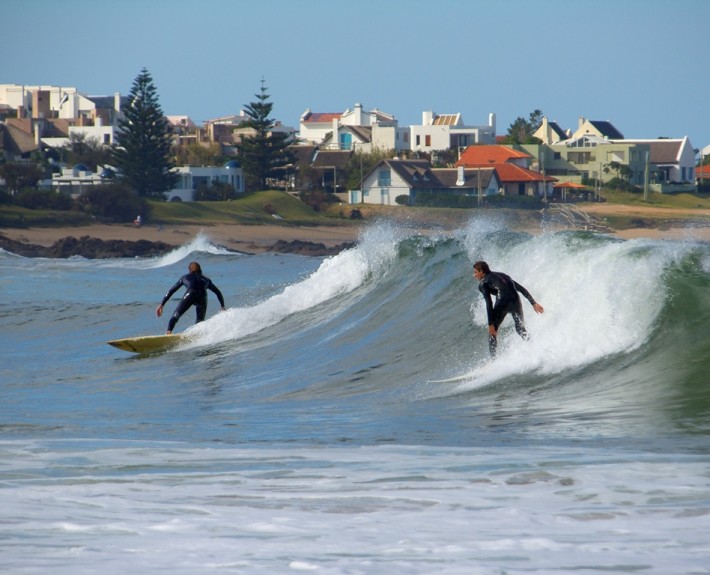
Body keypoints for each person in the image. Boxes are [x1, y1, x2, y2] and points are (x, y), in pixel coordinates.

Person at [472, 260, 544, 358]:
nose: (474, 275)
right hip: (515, 300)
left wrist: (490, 324)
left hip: (503, 301)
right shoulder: (503, 275)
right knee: (520, 328)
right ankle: (534, 347)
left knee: (492, 333)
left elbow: (489, 303)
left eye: (475, 272)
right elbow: (520, 288)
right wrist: (533, 303)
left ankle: (493, 360)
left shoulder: (483, 283)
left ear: (482, 271)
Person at [156, 261, 226, 334]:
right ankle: (197, 335)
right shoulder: (206, 280)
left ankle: (169, 332)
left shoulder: (185, 277)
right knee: (200, 322)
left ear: (189, 270)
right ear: (200, 270)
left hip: (191, 294)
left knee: (176, 315)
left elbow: (171, 290)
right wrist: (222, 306)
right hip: (202, 296)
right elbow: (218, 292)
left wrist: (162, 304)